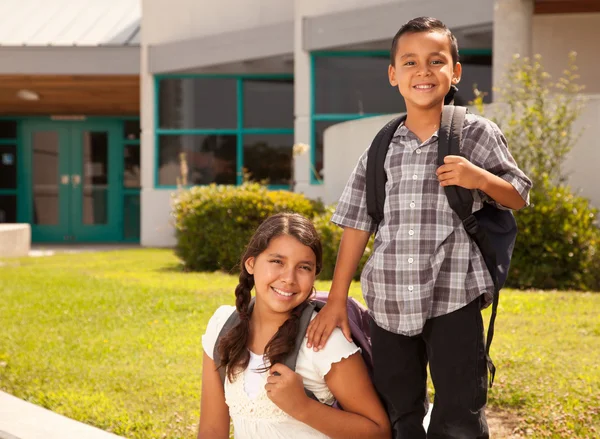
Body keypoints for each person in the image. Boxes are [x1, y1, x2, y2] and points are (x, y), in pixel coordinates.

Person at [305, 17, 532, 439]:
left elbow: (518, 194)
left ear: (455, 71)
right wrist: (337, 299)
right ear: (393, 75)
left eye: (435, 60)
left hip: (454, 297)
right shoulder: (381, 145)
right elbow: (357, 223)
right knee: (398, 412)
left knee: (460, 415)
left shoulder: (475, 133)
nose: (423, 71)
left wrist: (479, 178)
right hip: (388, 301)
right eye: (409, 62)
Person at [197, 212, 391, 439]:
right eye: (277, 261)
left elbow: (379, 432)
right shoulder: (222, 327)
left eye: (304, 267)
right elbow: (211, 430)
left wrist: (303, 407)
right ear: (251, 263)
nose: (289, 278)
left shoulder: (323, 340)